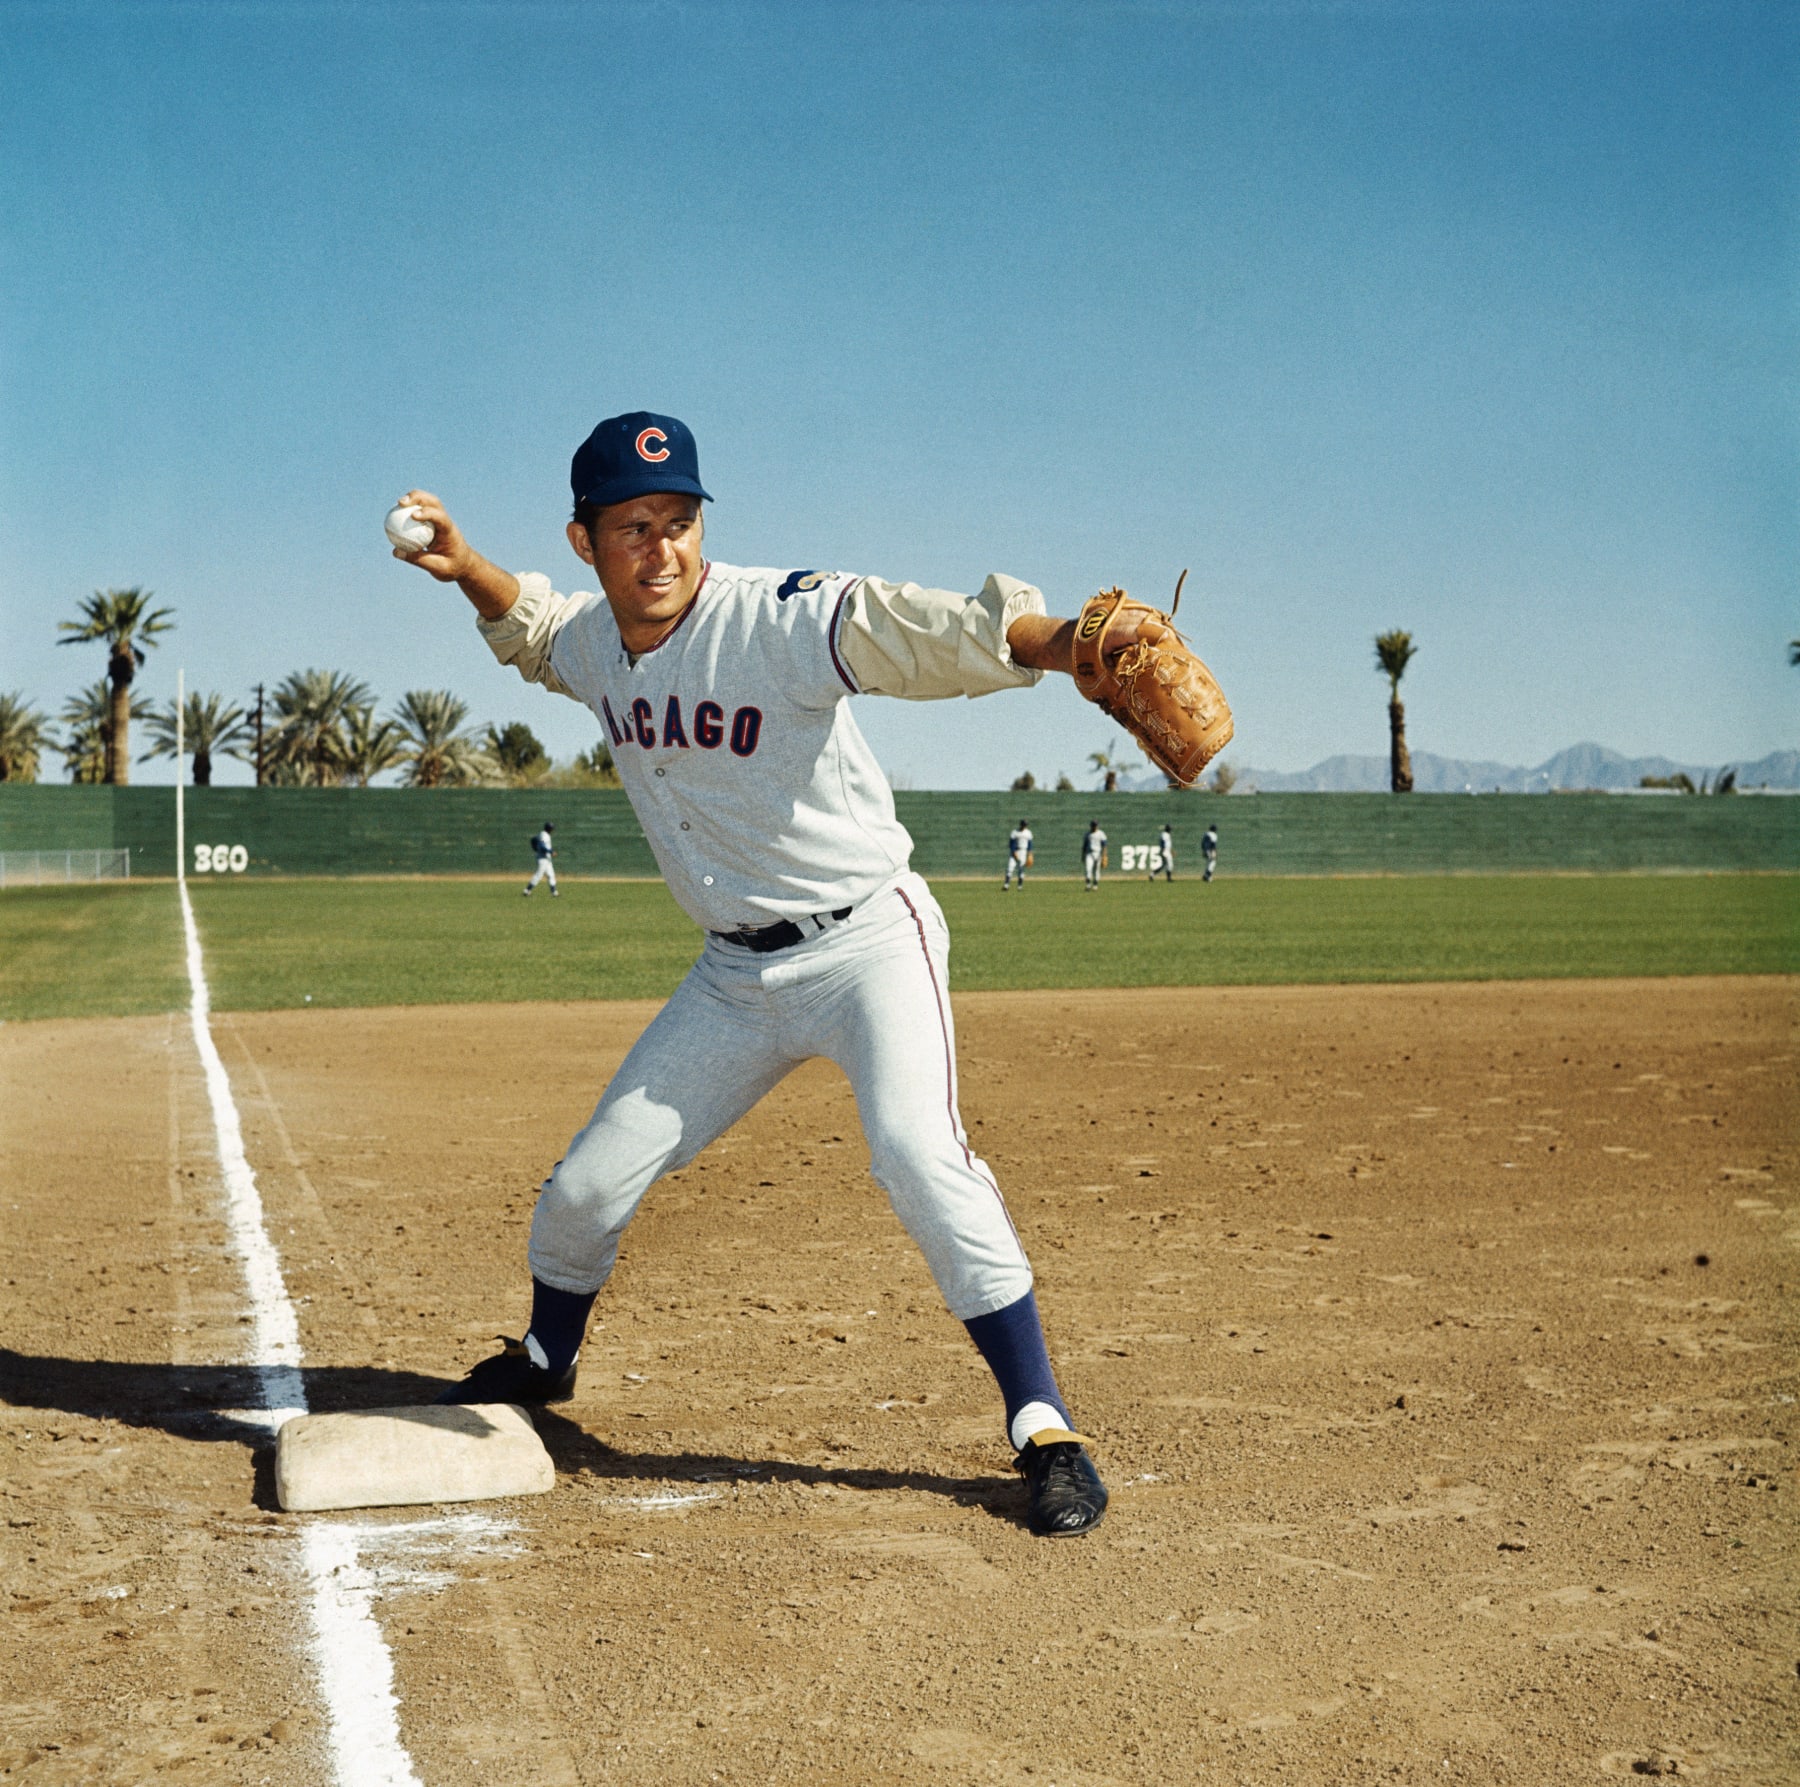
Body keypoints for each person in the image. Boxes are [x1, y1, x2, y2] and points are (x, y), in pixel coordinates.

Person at [391, 410, 1115, 1536]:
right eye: (635, 525)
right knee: (585, 1186)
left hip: (870, 939)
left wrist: (1062, 640)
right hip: (734, 976)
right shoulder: (595, 641)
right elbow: (535, 633)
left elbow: (906, 626)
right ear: (587, 540)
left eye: (679, 520)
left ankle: (1044, 1427)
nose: (663, 547)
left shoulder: (772, 618)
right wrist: (465, 566)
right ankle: (545, 1358)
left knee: (920, 1154)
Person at [524, 821, 557, 896]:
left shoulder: (543, 834)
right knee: (539, 875)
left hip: (547, 859)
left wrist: (536, 848)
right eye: (552, 828)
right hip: (543, 859)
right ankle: (527, 890)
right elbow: (542, 846)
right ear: (549, 829)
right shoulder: (544, 835)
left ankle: (554, 892)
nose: (552, 830)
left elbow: (533, 840)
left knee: (551, 874)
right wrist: (551, 851)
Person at [1002, 818, 1033, 891]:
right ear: (1020, 825)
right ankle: (1006, 885)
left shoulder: (1028, 833)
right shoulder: (1015, 832)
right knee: (1010, 868)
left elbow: (1030, 844)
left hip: (1023, 851)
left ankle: (1020, 887)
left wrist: (1030, 854)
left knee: (1021, 869)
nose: (1024, 826)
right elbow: (1011, 843)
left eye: (1025, 825)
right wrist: (1014, 851)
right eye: (1023, 825)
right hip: (1015, 851)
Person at [1081, 819, 1108, 891]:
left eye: (1095, 825)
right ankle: (1088, 885)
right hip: (1089, 853)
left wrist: (1104, 855)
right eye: (1093, 825)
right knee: (1088, 869)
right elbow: (1084, 846)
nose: (1094, 826)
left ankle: (1095, 885)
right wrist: (1083, 855)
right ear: (1091, 826)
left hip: (1098, 853)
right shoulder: (1087, 834)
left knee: (1096, 870)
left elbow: (1104, 845)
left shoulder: (1101, 834)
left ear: (1097, 826)